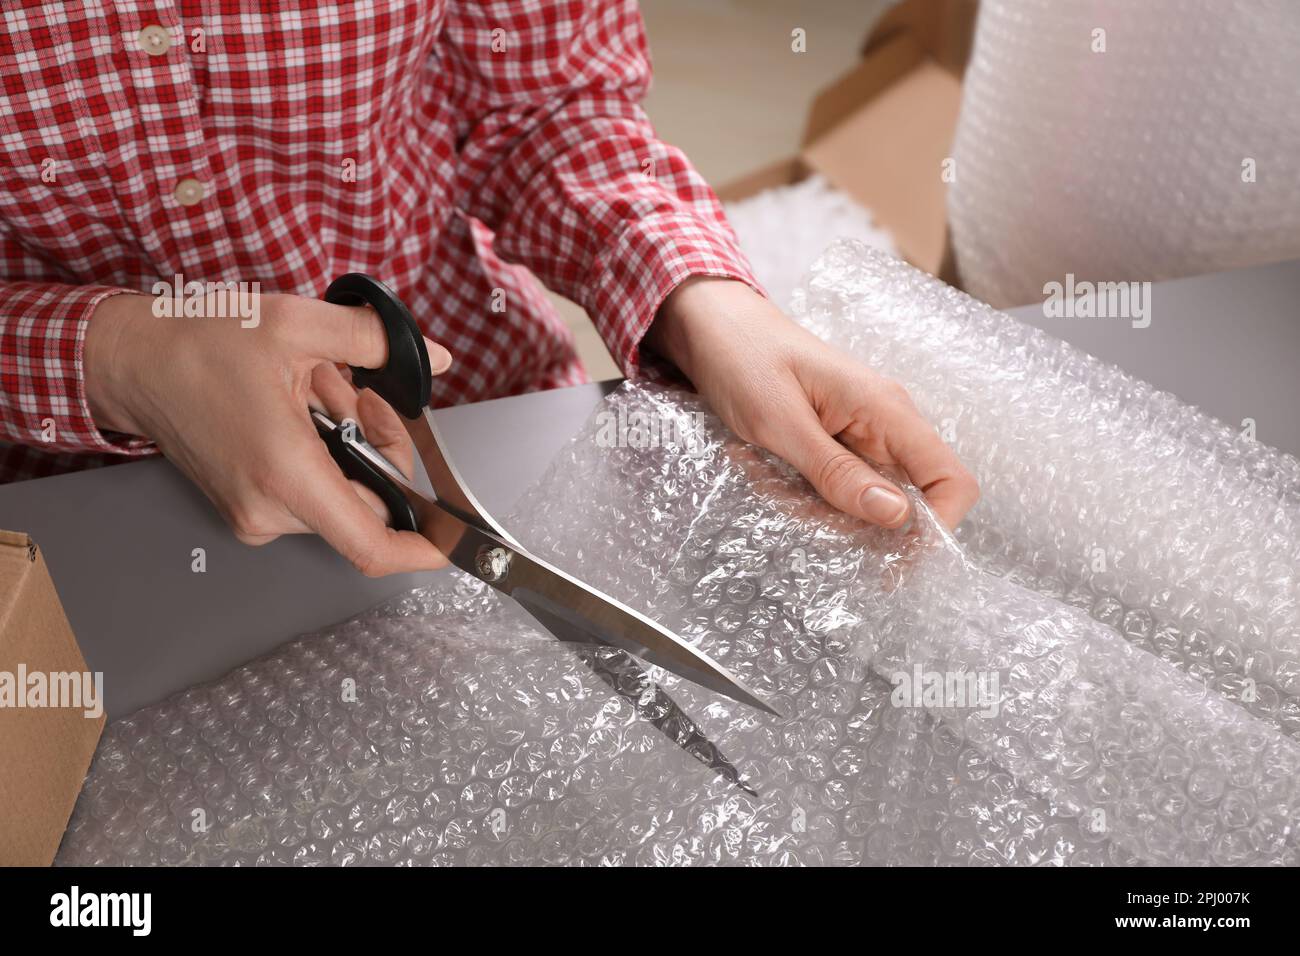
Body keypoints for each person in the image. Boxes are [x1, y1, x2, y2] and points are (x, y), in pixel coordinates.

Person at [0, 1, 977, 575]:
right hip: (69, 523)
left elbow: (547, 105)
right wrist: (119, 357)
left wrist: (705, 302)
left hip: (476, 418)